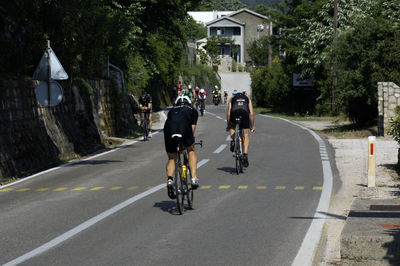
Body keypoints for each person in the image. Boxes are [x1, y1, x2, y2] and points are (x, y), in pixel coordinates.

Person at [163, 95, 199, 199]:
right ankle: (193, 178)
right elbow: (192, 130)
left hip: (169, 130)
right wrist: (188, 143)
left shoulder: (171, 110)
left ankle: (170, 180)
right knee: (191, 150)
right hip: (184, 129)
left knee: (171, 158)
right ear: (189, 103)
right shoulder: (192, 110)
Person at [226, 89, 255, 167]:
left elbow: (229, 114)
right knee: (246, 135)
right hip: (244, 114)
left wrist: (228, 125)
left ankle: (232, 140)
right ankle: (245, 155)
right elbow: (251, 114)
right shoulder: (247, 99)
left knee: (232, 126)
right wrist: (252, 126)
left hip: (234, 113)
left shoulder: (232, 99)